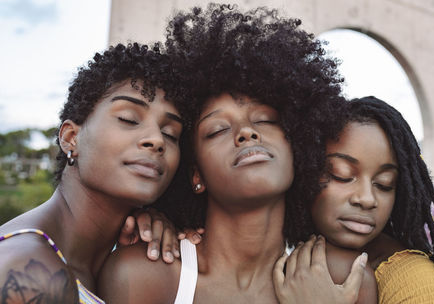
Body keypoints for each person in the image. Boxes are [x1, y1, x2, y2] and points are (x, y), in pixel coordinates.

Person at [98, 4, 374, 303]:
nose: (247, 132)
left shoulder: (344, 279)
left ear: (299, 144)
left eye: (266, 120)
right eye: (217, 129)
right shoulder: (143, 277)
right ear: (196, 174)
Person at [0, 43, 184, 303]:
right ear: (71, 138)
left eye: (170, 134)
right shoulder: (31, 274)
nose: (156, 140)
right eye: (129, 119)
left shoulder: (119, 261)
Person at [274, 96, 434, 303]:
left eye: (384, 184)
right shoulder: (286, 264)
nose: (367, 199)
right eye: (342, 175)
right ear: (306, 173)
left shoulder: (415, 281)